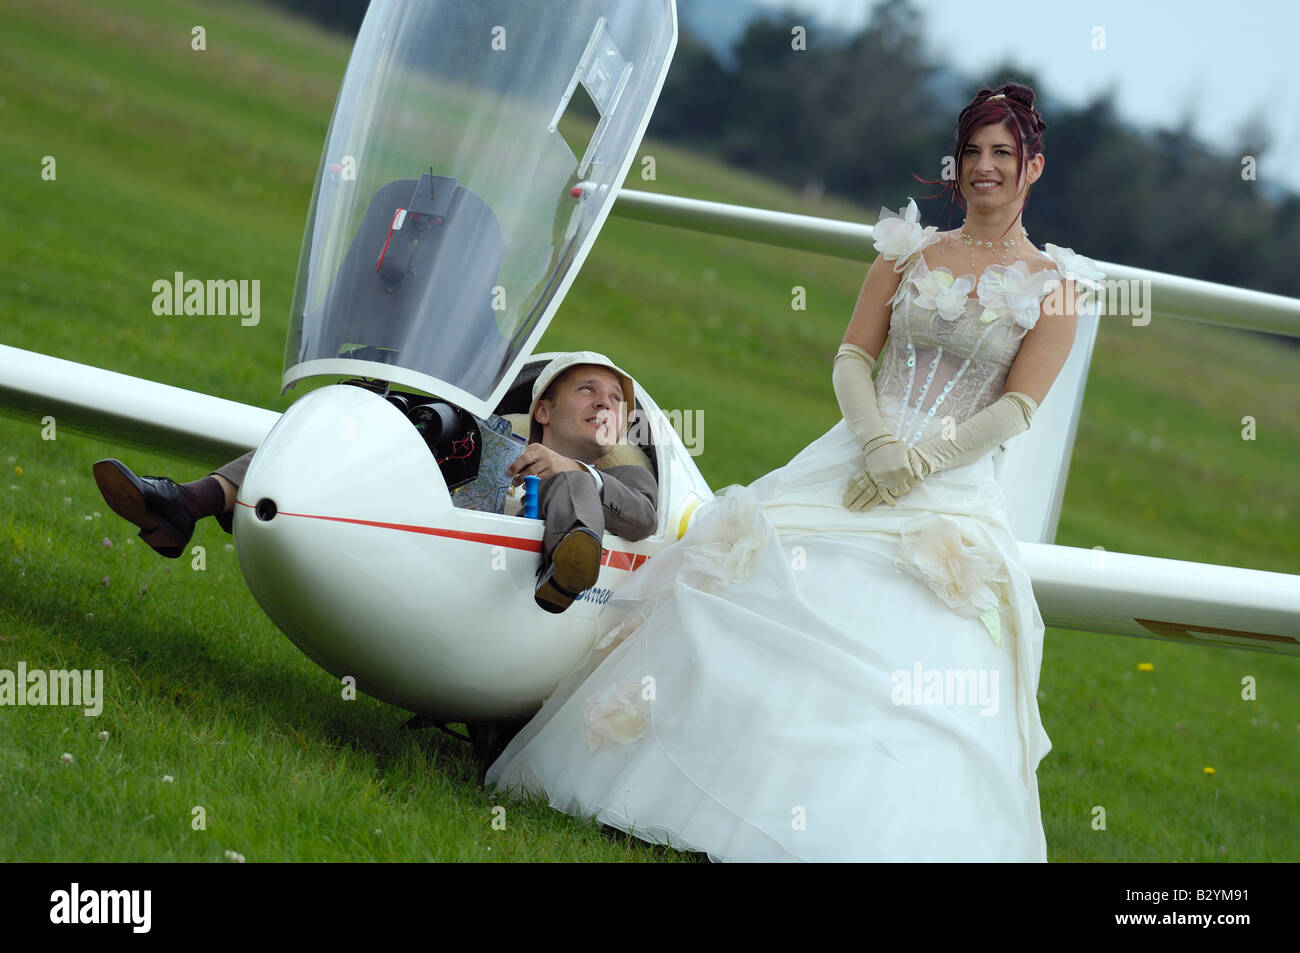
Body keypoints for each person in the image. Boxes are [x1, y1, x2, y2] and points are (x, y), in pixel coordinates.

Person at [483, 83, 1106, 861]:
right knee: (748, 582)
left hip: (949, 481)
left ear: (1033, 169)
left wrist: (920, 462)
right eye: (973, 152)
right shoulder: (908, 250)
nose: (984, 168)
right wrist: (878, 441)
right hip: (855, 452)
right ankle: (665, 796)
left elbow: (1018, 408)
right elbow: (852, 356)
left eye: (1002, 154)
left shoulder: (1057, 289)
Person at [91, 351, 657, 615]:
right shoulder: (486, 438)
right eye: (588, 390)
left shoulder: (618, 474)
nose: (604, 404)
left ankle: (567, 571)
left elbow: (643, 518)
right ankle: (184, 504)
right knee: (319, 446)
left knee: (572, 486)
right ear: (543, 410)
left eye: (614, 402)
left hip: (523, 596)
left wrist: (572, 470)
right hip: (439, 557)